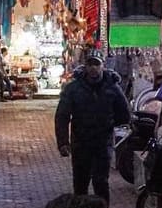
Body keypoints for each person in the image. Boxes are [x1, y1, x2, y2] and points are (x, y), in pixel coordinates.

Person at [54, 53, 129, 200]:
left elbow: (124, 113)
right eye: (90, 64)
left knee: (101, 182)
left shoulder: (112, 88)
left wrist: (113, 125)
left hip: (103, 142)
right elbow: (62, 116)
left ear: (103, 66)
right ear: (85, 66)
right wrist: (63, 143)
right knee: (80, 184)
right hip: (80, 142)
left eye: (97, 64)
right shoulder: (73, 89)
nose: (93, 68)